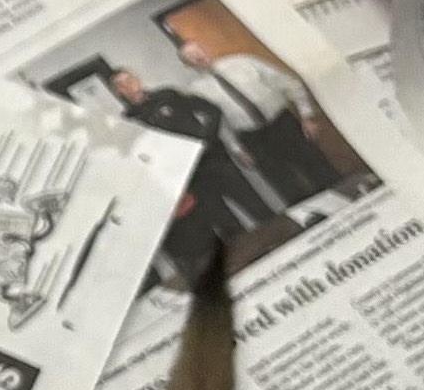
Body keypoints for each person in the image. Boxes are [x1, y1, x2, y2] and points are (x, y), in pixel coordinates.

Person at [108, 68, 275, 273]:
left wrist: (207, 138)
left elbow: (212, 110)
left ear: (138, 79)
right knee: (223, 217)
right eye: (121, 85)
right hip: (189, 175)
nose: (128, 85)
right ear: (118, 92)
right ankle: (254, 261)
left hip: (213, 160)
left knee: (252, 202)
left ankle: (281, 239)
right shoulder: (129, 121)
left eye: (129, 79)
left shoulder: (167, 95)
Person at [177, 39, 343, 203]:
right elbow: (219, 124)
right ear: (187, 65)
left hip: (282, 123)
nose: (198, 57)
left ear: (206, 49)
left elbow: (288, 83)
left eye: (198, 51)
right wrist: (237, 149)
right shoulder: (197, 91)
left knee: (315, 164)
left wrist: (306, 115)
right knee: (285, 183)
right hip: (253, 138)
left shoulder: (243, 62)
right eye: (191, 57)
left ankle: (348, 197)